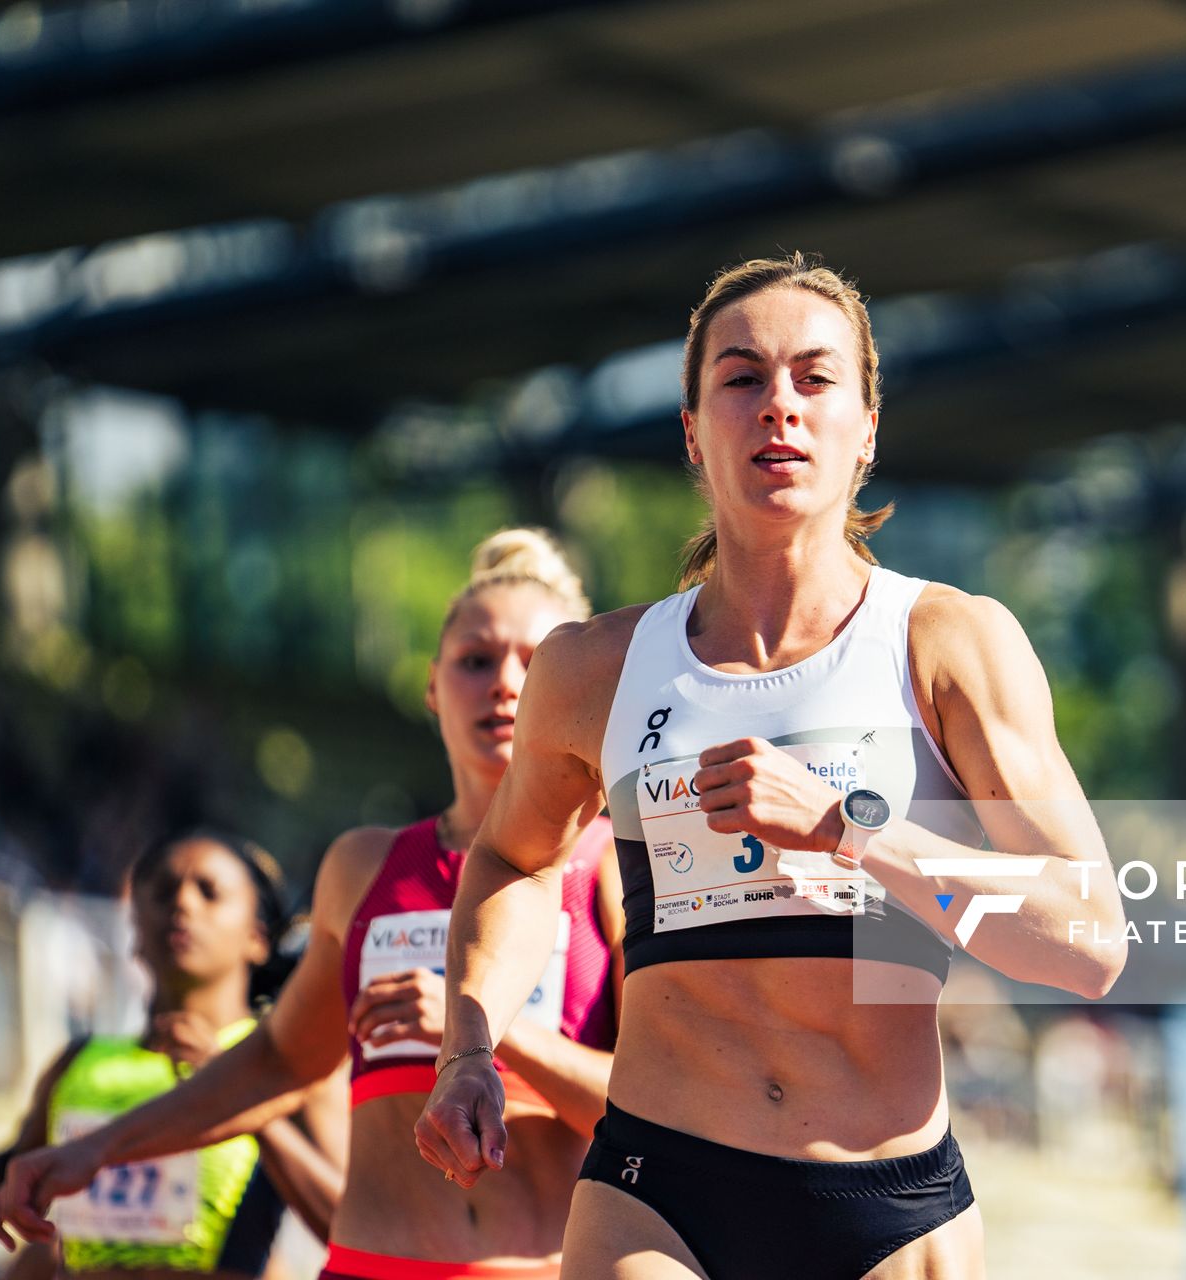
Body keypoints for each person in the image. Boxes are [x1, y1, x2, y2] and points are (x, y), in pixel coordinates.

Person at [414, 253, 1127, 1278]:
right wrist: (469, 1045)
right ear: (694, 432)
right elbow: (514, 862)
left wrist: (851, 829)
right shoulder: (594, 668)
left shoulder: (947, 643)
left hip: (886, 1201)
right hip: (657, 1191)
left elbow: (1089, 936)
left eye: (815, 377)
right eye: (742, 378)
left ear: (867, 429)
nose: (779, 406)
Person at [0, 530, 624, 1280]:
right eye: (475, 660)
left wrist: (479, 1028)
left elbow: (664, 1112)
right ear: (432, 685)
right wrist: (95, 1148)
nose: (504, 683)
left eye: (535, 660)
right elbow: (278, 1061)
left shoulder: (615, 864)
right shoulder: (364, 866)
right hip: (366, 1264)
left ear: (576, 689)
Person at [0, 830, 343, 1280]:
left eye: (209, 893)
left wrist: (237, 1097)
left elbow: (348, 1222)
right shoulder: (81, 1062)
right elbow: (19, 1162)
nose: (184, 905)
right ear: (133, 926)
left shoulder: (286, 1065)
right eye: (163, 891)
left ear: (257, 936)